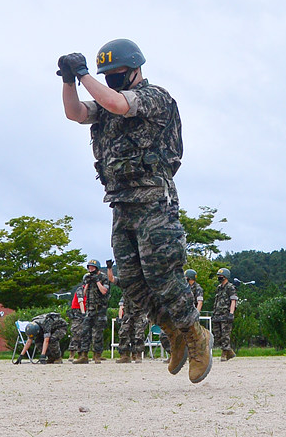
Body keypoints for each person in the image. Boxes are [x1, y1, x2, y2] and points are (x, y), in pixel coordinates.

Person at [58, 39, 213, 383]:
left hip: (154, 200)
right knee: (129, 281)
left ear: (135, 70)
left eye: (118, 74)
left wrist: (84, 74)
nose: (112, 80)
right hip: (122, 204)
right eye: (106, 75)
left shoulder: (153, 97)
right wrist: (69, 80)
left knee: (163, 276)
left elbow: (115, 102)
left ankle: (196, 337)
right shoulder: (105, 104)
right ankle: (173, 331)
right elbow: (76, 113)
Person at [74, 259, 110, 364]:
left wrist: (97, 281)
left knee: (98, 333)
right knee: (84, 332)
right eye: (89, 268)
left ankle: (97, 355)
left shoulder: (103, 278)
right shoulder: (87, 277)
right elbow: (84, 294)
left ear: (97, 268)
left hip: (100, 309)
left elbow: (104, 291)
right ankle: (83, 355)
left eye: (92, 268)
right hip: (89, 309)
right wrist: (88, 283)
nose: (91, 270)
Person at [116, 290, 148, 363]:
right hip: (128, 312)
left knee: (139, 334)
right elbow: (122, 304)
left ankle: (138, 354)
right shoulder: (126, 287)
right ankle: (125, 355)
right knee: (123, 331)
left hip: (139, 312)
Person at [212, 268, 237, 361]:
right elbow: (216, 301)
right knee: (217, 336)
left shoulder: (230, 287)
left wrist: (231, 313)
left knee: (225, 335)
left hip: (226, 314)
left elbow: (233, 300)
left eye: (220, 276)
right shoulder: (219, 288)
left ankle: (224, 353)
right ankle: (229, 351)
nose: (219, 277)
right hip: (217, 314)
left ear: (225, 276)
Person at [66, 283, 86, 361]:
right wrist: (83, 313)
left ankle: (81, 354)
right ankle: (72, 354)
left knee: (84, 334)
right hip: (77, 311)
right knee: (76, 331)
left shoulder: (91, 291)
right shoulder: (80, 289)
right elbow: (80, 301)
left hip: (85, 311)